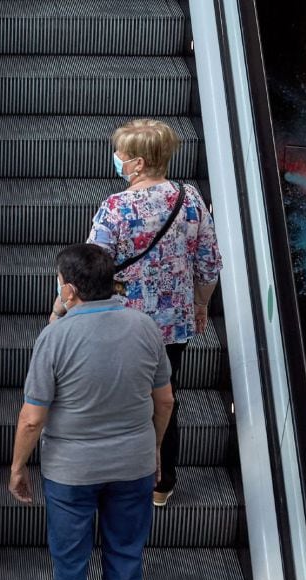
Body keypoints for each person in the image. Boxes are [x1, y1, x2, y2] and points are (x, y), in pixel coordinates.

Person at [10, 244, 174, 580]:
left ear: (68, 289)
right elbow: (165, 400)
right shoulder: (144, 327)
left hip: (71, 471)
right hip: (133, 463)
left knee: (71, 566)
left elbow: (32, 417)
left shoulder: (55, 338)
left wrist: (17, 468)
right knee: (125, 557)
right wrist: (154, 449)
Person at [55, 118, 222, 507]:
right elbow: (210, 264)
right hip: (171, 326)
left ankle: (114, 478)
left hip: (120, 325)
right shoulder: (190, 199)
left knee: (118, 397)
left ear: (140, 163)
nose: (116, 160)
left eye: (122, 155)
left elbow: (90, 268)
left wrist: (61, 308)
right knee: (164, 397)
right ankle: (162, 481)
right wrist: (200, 305)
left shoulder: (116, 207)